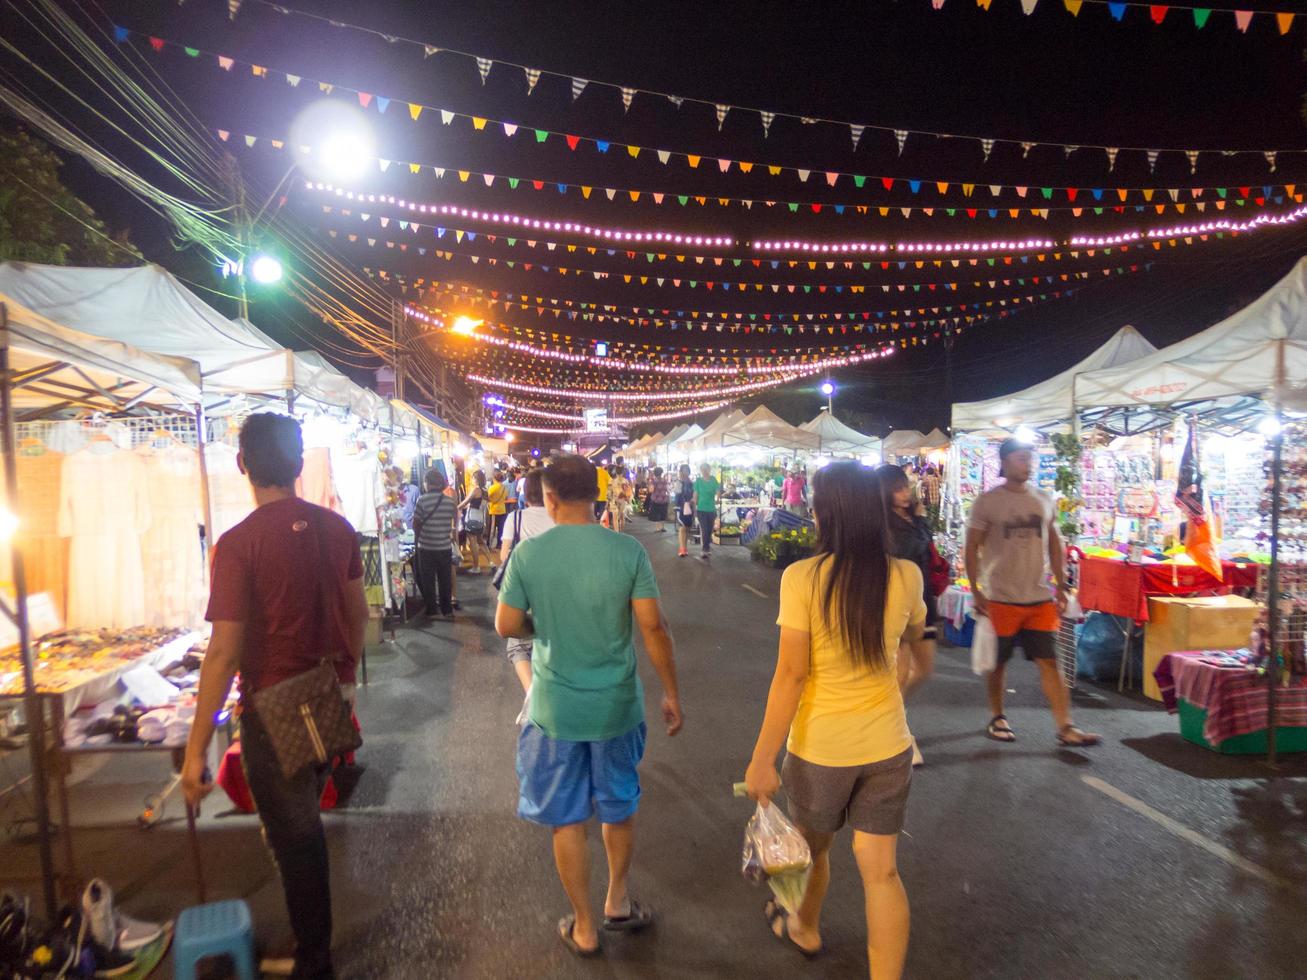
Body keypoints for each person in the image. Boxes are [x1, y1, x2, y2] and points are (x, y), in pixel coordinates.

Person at [182, 413, 368, 980]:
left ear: (243, 465)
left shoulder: (238, 545)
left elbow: (224, 652)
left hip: (273, 708)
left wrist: (196, 750)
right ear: (299, 461)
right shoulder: (338, 529)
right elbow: (357, 613)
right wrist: (342, 680)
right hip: (325, 696)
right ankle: (311, 941)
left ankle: (314, 958)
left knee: (297, 837)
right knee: (304, 819)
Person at [745, 461, 928, 978]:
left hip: (821, 749)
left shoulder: (803, 578)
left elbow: (790, 677)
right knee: (883, 872)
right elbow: (913, 645)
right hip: (889, 746)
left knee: (813, 850)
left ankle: (805, 927)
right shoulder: (906, 576)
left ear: (827, 513)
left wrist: (762, 759)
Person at [495, 456, 683, 958]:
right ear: (597, 496)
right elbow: (653, 628)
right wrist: (671, 693)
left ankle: (582, 925)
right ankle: (616, 900)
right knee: (618, 807)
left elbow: (506, 625)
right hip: (616, 708)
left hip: (554, 710)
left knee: (566, 819)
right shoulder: (628, 551)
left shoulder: (529, 555)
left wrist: (546, 628)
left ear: (549, 497)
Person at [965, 438, 1100, 747]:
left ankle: (1066, 726)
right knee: (997, 664)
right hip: (1000, 597)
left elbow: (1055, 543)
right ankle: (997, 716)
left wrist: (1062, 584)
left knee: (1050, 661)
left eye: (1030, 458)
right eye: (1021, 458)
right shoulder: (987, 502)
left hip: (1038, 596)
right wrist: (976, 589)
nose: (1028, 463)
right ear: (1004, 462)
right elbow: (971, 547)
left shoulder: (1043, 499)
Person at [877, 464, 939, 767]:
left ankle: (889, 714)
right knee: (900, 671)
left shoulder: (912, 517)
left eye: (905, 486)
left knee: (925, 669)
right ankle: (901, 734)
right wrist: (919, 520)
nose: (905, 492)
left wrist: (920, 518)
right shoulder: (883, 523)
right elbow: (907, 548)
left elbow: (926, 545)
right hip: (898, 602)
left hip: (923, 600)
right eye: (899, 488)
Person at [500, 469, 555, 696]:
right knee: (552, 636)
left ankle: (532, 693)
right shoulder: (558, 517)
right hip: (555, 587)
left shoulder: (516, 517)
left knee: (518, 644)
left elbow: (504, 556)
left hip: (525, 588)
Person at [412, 468, 458, 619]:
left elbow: (416, 524)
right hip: (444, 547)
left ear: (427, 483)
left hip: (426, 547)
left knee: (428, 579)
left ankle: (432, 609)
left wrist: (417, 538)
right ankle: (447, 610)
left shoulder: (422, 500)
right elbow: (454, 524)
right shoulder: (450, 502)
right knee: (445, 579)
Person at [459, 470, 494, 574]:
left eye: (473, 478)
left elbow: (465, 502)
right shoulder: (485, 491)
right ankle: (491, 562)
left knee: (473, 543)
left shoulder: (476, 490)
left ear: (476, 479)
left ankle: (476, 566)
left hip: (472, 519)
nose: (472, 479)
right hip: (481, 520)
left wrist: (455, 508)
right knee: (481, 542)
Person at [692, 463, 720, 560]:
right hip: (701, 509)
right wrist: (694, 507)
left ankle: (707, 547)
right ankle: (704, 550)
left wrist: (717, 498)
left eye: (706, 469)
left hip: (711, 509)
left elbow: (718, 490)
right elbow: (695, 494)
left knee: (710, 530)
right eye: (703, 469)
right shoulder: (698, 481)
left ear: (709, 469)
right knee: (704, 529)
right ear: (701, 470)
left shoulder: (713, 480)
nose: (704, 471)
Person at [673, 464, 695, 557]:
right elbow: (677, 493)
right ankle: (682, 549)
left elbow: (694, 495)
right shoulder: (679, 482)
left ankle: (685, 548)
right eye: (683, 470)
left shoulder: (692, 483)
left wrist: (692, 502)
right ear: (681, 472)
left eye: (687, 470)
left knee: (687, 527)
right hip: (681, 507)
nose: (685, 472)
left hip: (689, 507)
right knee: (682, 527)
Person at [607, 464, 633, 532]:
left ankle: (617, 532)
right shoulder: (626, 481)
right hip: (623, 500)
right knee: (622, 517)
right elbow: (628, 492)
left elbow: (609, 493)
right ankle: (621, 531)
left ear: (615, 472)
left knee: (615, 518)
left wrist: (607, 502)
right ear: (622, 472)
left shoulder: (612, 481)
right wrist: (629, 500)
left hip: (614, 500)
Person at [487, 468, 508, 548]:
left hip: (494, 510)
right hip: (503, 510)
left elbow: (488, 498)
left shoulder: (492, 488)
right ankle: (499, 544)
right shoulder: (505, 487)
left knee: (492, 529)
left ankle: (489, 544)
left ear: (494, 478)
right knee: (501, 529)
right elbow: (505, 497)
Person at [647, 466, 669, 532]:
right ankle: (662, 527)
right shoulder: (664, 480)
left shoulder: (653, 481)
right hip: (664, 499)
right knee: (663, 514)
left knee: (656, 514)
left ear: (655, 473)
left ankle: (658, 528)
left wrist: (649, 484)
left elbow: (651, 490)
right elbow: (667, 489)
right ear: (661, 473)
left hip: (656, 500)